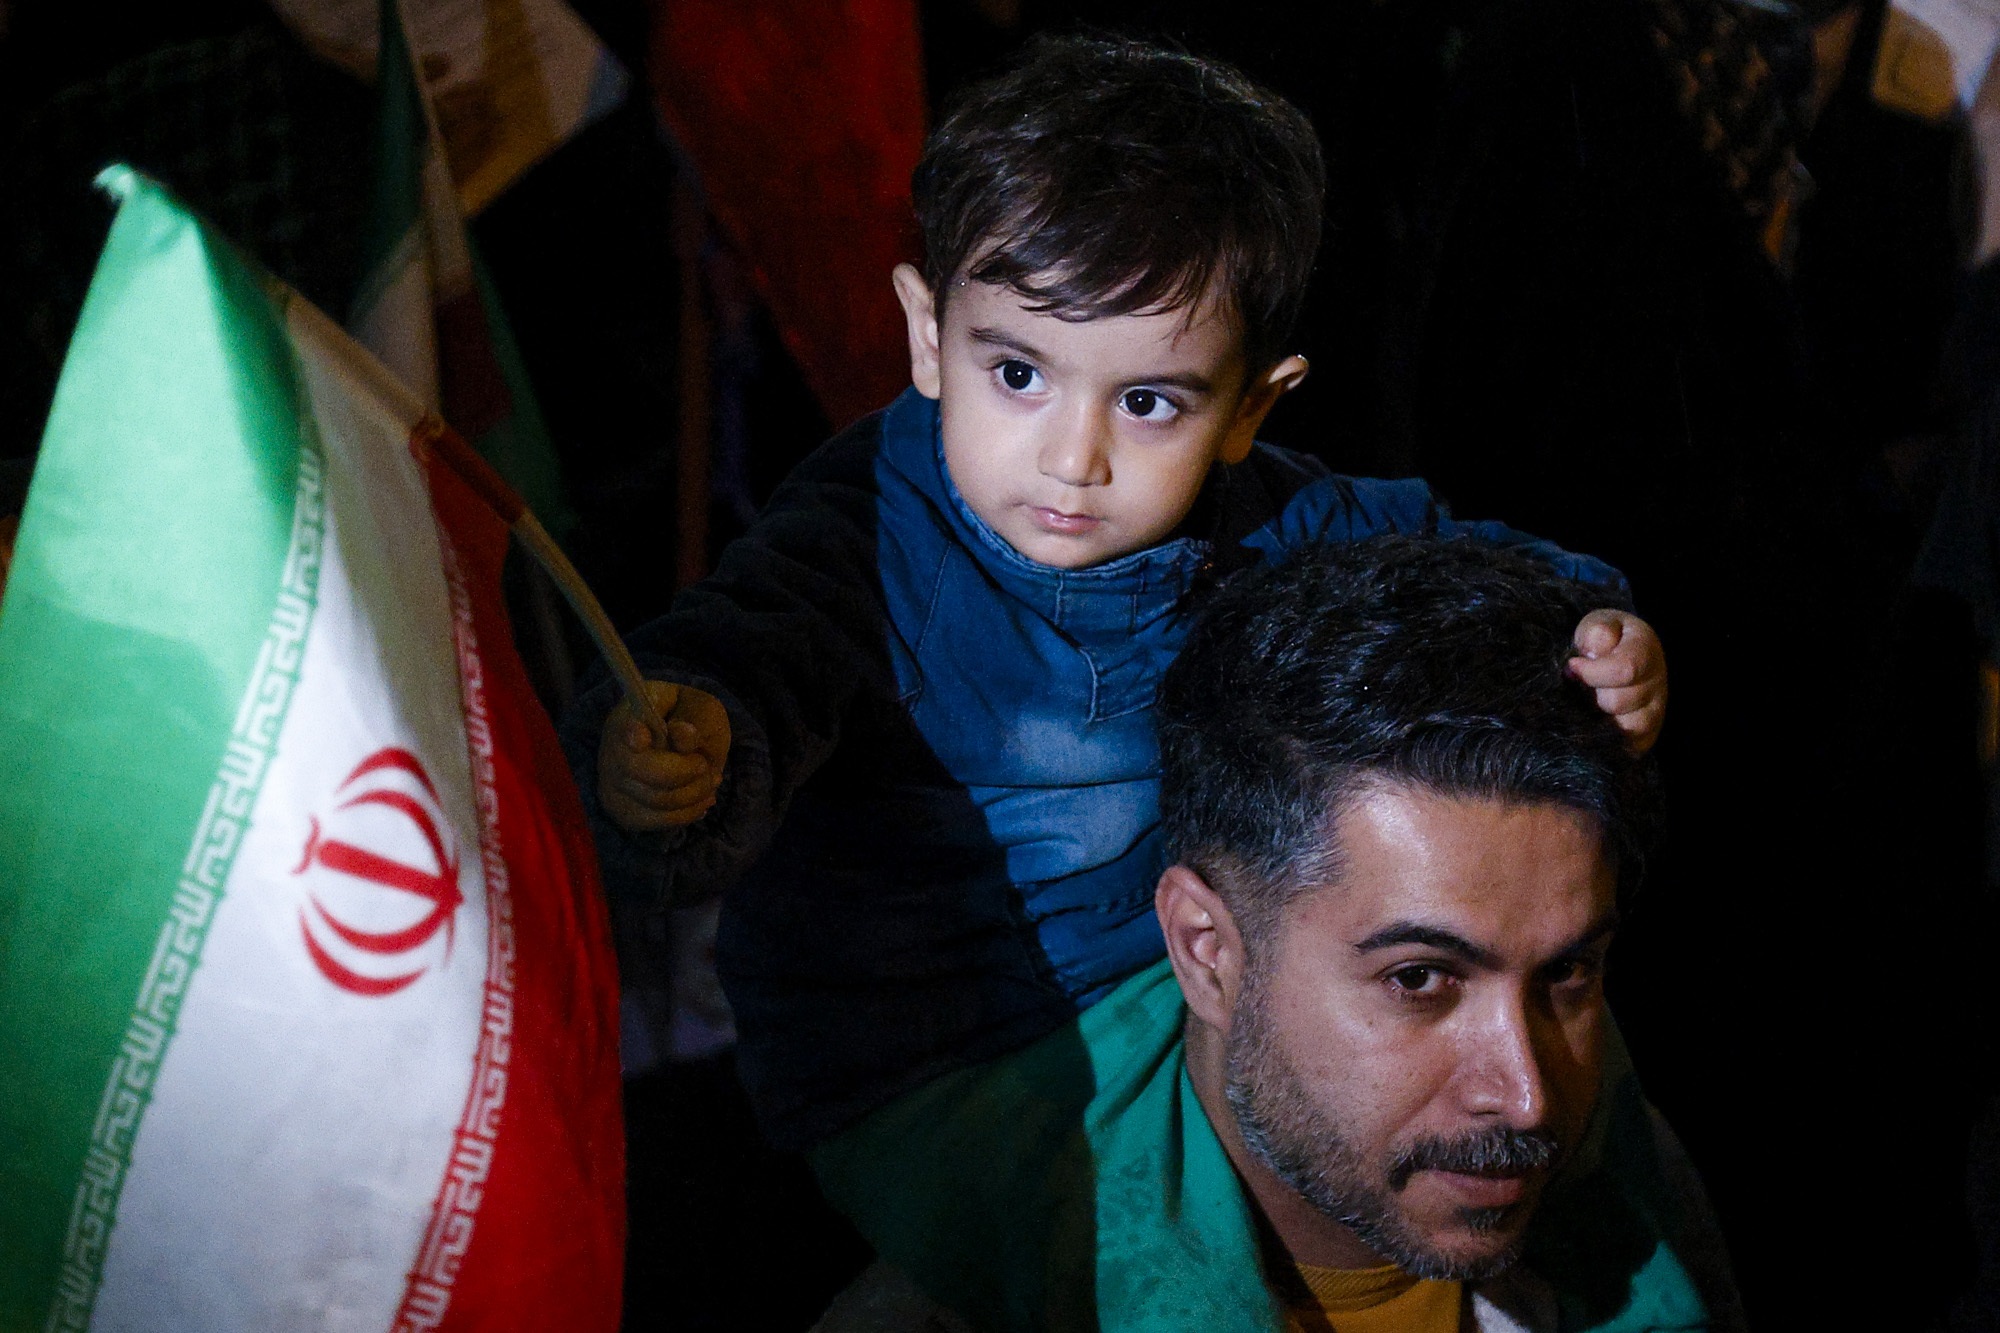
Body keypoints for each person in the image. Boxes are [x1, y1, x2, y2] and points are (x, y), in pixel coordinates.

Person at [564, 33, 1669, 1320]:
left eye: (1146, 403)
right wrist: (680, 755)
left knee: (1588, 1104)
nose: (1072, 458)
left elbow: (1451, 558)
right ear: (926, 334)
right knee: (1157, 1284)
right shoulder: (861, 538)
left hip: (1179, 973)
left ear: (1250, 407)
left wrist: (1587, 625)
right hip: (934, 1048)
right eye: (1016, 374)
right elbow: (742, 659)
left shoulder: (1268, 512)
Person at [814, 536, 1738, 1332]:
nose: (1527, 1096)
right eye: (1420, 978)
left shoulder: (1630, 1182)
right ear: (1207, 951)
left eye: (1567, 971)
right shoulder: (968, 1303)